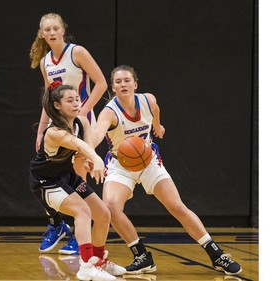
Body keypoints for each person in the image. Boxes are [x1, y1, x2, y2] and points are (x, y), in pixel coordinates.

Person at [92, 65, 243, 276]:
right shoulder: (109, 112)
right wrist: (91, 153)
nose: (123, 84)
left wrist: (157, 125)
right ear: (113, 87)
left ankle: (216, 254)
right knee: (110, 207)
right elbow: (98, 132)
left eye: (127, 80)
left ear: (135, 84)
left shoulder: (148, 100)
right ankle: (142, 256)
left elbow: (155, 109)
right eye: (118, 82)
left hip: (148, 161)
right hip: (120, 165)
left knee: (176, 206)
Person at [28, 82, 126, 280]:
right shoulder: (54, 132)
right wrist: (97, 158)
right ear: (57, 106)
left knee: (103, 214)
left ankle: (98, 261)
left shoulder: (82, 121)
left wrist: (91, 161)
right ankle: (86, 265)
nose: (76, 103)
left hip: (67, 175)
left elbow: (86, 149)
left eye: (77, 99)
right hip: (45, 181)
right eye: (70, 100)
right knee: (82, 211)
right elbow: (77, 144)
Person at [29, 12, 108, 254]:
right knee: (53, 173)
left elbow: (102, 83)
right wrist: (41, 130)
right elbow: (47, 100)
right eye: (47, 30)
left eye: (55, 28)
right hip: (58, 125)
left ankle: (77, 232)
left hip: (82, 121)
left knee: (78, 174)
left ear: (63, 30)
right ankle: (57, 223)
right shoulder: (45, 62)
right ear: (42, 34)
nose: (52, 33)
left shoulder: (77, 53)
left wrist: (80, 113)